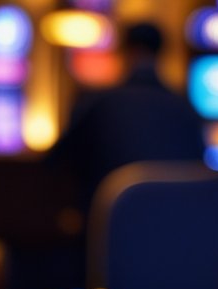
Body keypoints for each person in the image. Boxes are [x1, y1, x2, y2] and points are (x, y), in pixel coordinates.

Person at [46, 21, 206, 208]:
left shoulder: (99, 103)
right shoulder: (187, 109)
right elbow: (201, 172)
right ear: (162, 54)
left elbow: (54, 163)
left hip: (110, 231)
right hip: (178, 229)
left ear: (125, 52)